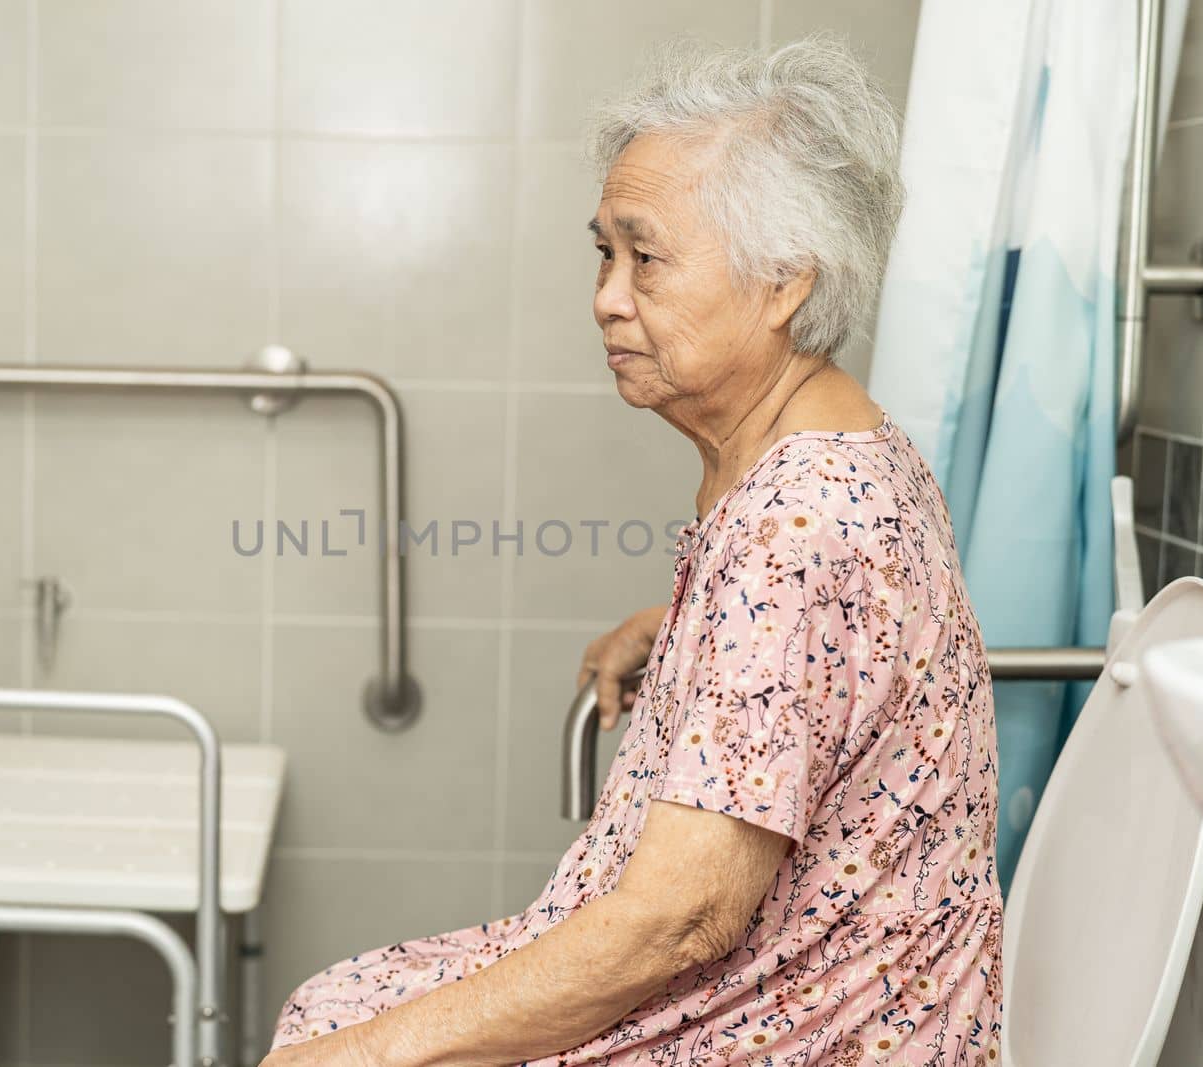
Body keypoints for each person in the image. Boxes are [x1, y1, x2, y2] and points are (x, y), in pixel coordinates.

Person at [265, 35, 1003, 1066]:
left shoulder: (797, 532)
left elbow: (680, 920)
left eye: (644, 257)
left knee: (337, 1036)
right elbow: (851, 649)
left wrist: (368, 1056)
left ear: (785, 279)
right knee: (339, 1003)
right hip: (867, 1000)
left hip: (810, 1031)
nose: (608, 296)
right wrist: (683, 632)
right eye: (603, 254)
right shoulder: (843, 450)